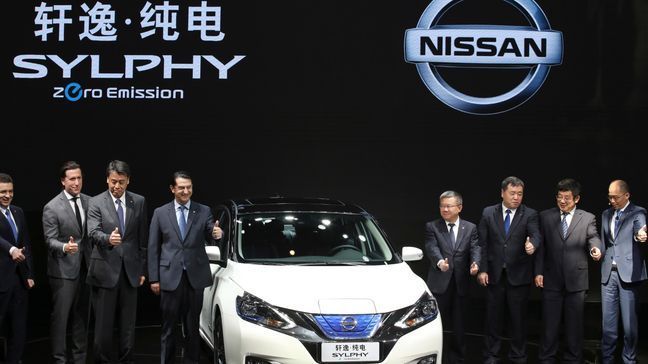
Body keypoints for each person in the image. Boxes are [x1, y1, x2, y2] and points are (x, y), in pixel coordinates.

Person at [148, 171, 222, 364]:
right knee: (169, 328)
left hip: (195, 278)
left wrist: (216, 233)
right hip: (169, 277)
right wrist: (154, 278)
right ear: (172, 189)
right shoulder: (160, 213)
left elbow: (210, 231)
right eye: (181, 187)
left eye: (189, 187)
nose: (186, 191)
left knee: (192, 327)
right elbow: (153, 247)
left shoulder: (203, 211)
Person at [534, 178, 602, 363]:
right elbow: (542, 248)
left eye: (567, 198)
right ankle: (547, 358)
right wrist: (538, 272)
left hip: (576, 280)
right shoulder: (546, 216)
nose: (562, 201)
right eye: (559, 197)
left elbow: (593, 237)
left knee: (574, 326)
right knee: (550, 324)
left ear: (577, 199)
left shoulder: (587, 218)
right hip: (551, 278)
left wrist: (596, 249)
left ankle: (573, 359)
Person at [86, 160, 148, 364]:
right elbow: (92, 232)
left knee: (128, 327)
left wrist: (142, 269)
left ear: (128, 180)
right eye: (113, 181)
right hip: (105, 271)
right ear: (107, 179)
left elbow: (142, 240)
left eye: (121, 182)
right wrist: (107, 239)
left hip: (130, 272)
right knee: (103, 328)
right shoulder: (96, 202)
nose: (117, 186)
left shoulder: (138, 201)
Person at [477, 176, 541, 364]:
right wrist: (482, 269)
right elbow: (482, 243)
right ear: (502, 193)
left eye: (519, 194)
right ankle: (491, 355)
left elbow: (536, 234)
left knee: (518, 319)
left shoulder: (529, 214)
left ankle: (518, 355)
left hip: (518, 276)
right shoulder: (488, 213)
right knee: (492, 318)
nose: (516, 197)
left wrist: (533, 245)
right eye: (512, 193)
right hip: (494, 275)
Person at [42, 161, 92, 364]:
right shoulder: (52, 207)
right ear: (63, 181)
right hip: (63, 270)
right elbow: (49, 239)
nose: (77, 182)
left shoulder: (90, 202)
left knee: (82, 317)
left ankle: (80, 358)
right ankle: (59, 359)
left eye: (79, 178)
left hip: (86, 268)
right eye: (72, 178)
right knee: (61, 320)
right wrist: (64, 247)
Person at [424, 190, 480, 364]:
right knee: (434, 325)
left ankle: (457, 359)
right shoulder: (433, 226)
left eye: (448, 206)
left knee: (459, 326)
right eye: (442, 206)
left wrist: (476, 263)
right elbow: (431, 247)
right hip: (440, 283)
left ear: (459, 207)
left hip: (461, 283)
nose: (445, 209)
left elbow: (475, 247)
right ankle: (432, 357)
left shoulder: (470, 227)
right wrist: (440, 262)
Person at [600, 179, 647, 364]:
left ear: (626, 195)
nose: (611, 200)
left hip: (628, 273)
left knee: (629, 325)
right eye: (609, 197)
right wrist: (597, 251)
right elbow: (605, 242)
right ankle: (607, 359)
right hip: (608, 274)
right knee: (608, 325)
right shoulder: (606, 214)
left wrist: (641, 234)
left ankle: (629, 359)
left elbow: (639, 228)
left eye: (615, 197)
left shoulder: (638, 212)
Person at [0, 173, 35, 364]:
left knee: (18, 330)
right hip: (1, 280)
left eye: (10, 191)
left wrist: (29, 273)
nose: (7, 195)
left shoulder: (18, 212)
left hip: (19, 280)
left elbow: (26, 243)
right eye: (3, 192)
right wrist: (11, 249)